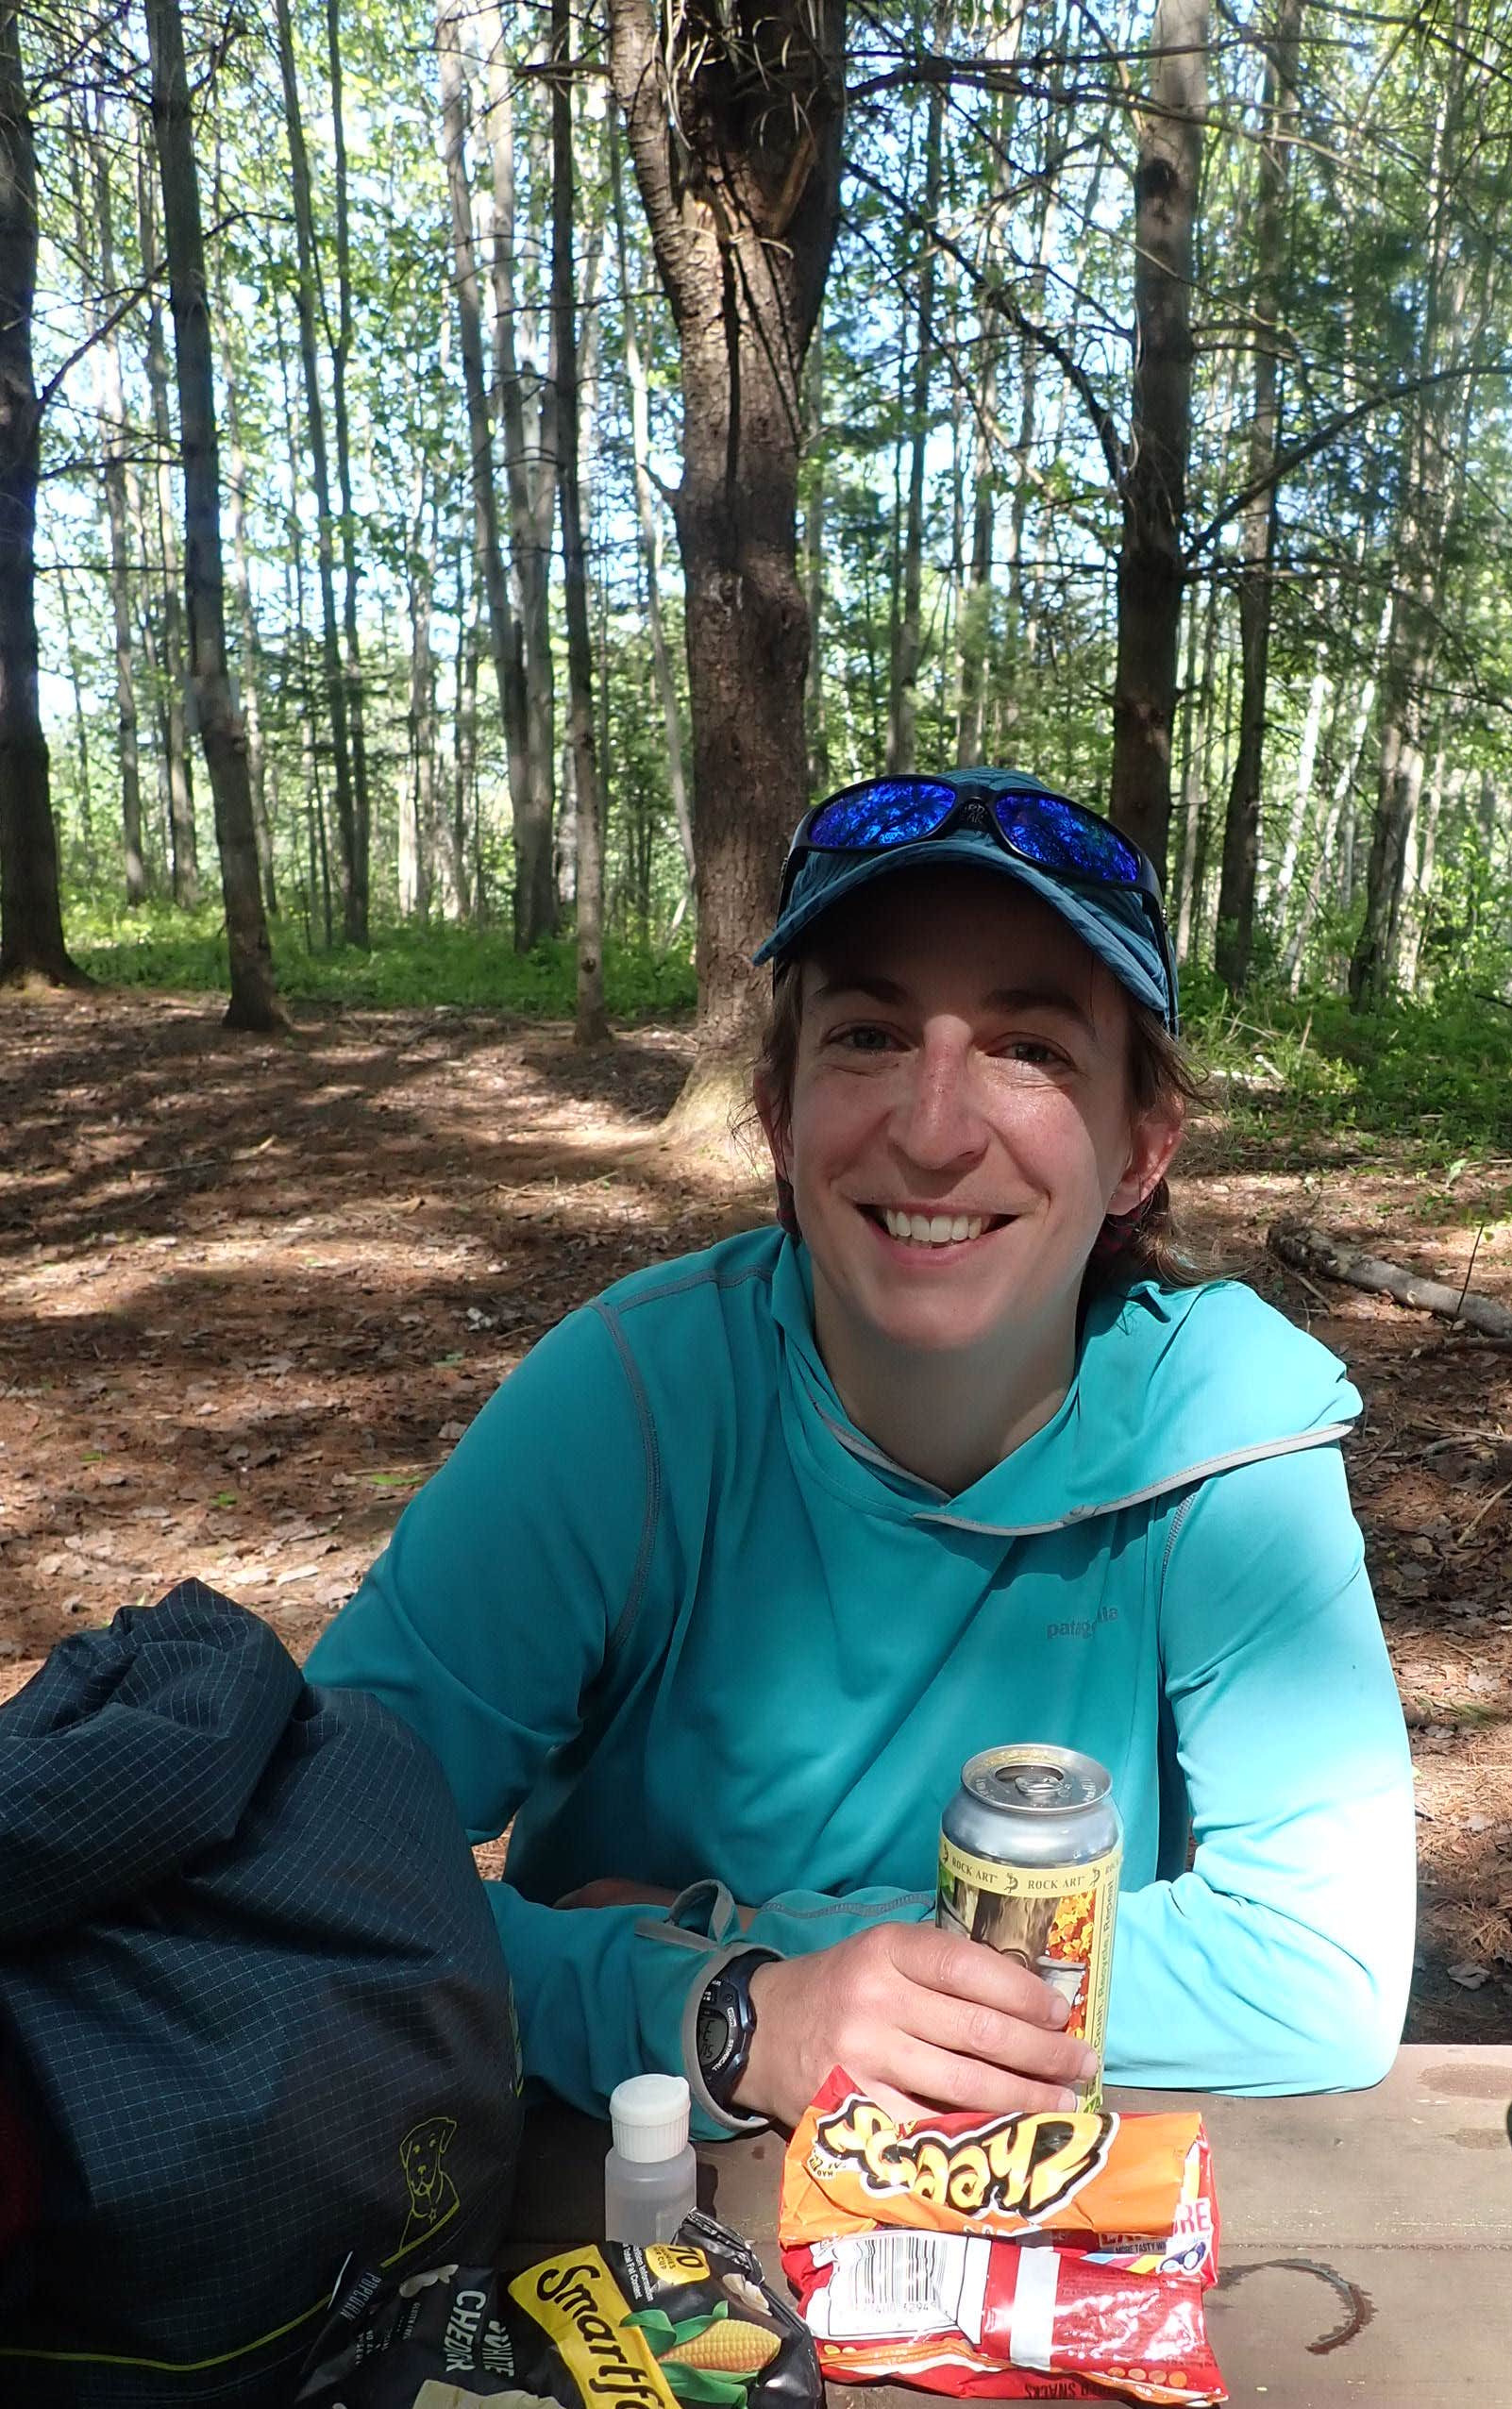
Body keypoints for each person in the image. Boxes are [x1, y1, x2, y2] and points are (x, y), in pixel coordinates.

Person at [308, 768, 1414, 2137]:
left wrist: (759, 1958)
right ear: (778, 1112)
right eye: (872, 1037)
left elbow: (1325, 1975)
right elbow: (309, 1868)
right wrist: (725, 2020)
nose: (935, 1128)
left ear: (1141, 1148)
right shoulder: (632, 1405)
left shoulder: (1221, 1427)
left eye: (1032, 1050)